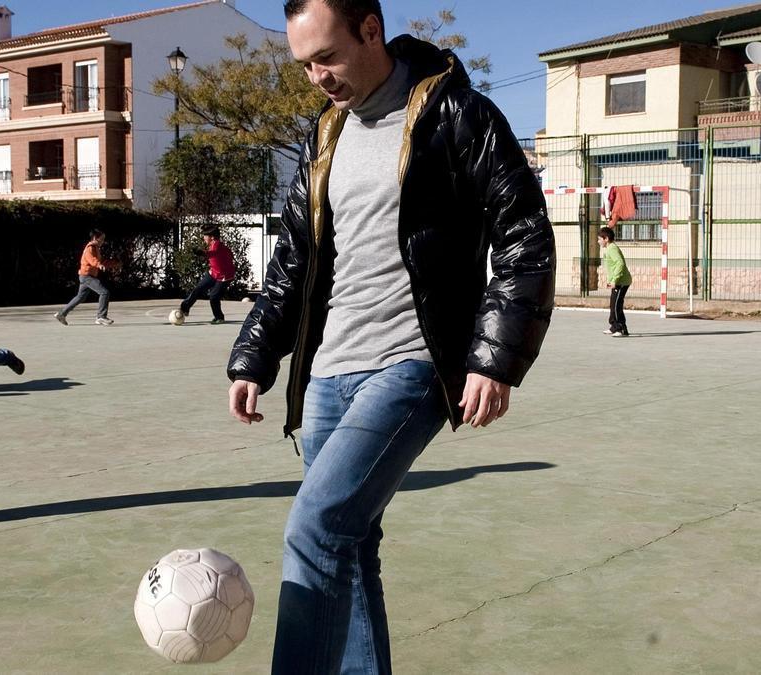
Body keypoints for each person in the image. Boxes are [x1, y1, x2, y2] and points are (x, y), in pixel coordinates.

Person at [225, 1, 556, 672]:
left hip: (410, 365)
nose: (316, 75)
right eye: (304, 64)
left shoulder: (457, 115)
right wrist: (255, 355)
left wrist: (494, 356)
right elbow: (295, 258)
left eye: (327, 56)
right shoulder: (324, 136)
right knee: (349, 545)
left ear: (370, 30)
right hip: (326, 376)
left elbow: (523, 232)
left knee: (314, 528)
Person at [175, 226, 236, 325]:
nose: (203, 238)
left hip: (224, 276)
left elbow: (211, 253)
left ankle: (219, 317)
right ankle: (184, 308)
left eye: (205, 236)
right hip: (214, 273)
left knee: (214, 296)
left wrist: (200, 253)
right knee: (198, 289)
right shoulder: (214, 245)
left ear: (212, 237)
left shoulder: (217, 245)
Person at [54, 229, 114, 326]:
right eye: (101, 239)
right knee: (104, 292)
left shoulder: (96, 248)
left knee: (80, 297)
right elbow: (91, 259)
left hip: (86, 276)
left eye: (104, 239)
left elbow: (99, 261)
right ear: (95, 238)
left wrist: (113, 264)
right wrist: (98, 265)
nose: (103, 241)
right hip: (87, 276)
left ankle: (61, 314)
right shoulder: (90, 248)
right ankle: (101, 317)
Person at [598, 226, 632, 337]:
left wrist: (615, 280)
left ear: (606, 239)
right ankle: (615, 327)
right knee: (614, 304)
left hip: (621, 282)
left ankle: (620, 329)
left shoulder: (612, 249)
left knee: (616, 305)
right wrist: (610, 281)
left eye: (599, 239)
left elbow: (620, 263)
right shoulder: (609, 249)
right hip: (617, 281)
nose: (598, 242)